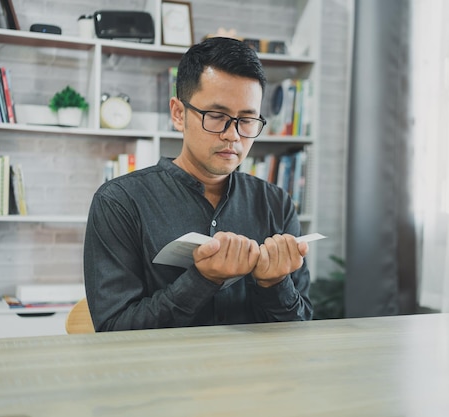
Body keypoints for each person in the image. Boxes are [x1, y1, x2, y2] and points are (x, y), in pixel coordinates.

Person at [83, 37, 313, 331]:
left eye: (247, 120)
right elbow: (113, 330)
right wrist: (202, 280)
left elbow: (303, 328)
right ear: (179, 114)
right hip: (163, 375)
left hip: (256, 375)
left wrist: (274, 284)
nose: (233, 135)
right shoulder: (119, 203)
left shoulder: (276, 204)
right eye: (216, 116)